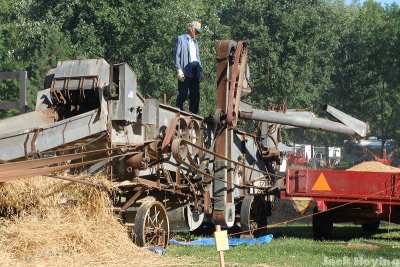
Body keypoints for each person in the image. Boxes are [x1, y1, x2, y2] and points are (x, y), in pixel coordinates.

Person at [174, 21, 203, 114]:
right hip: (185, 70)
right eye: (196, 31)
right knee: (183, 93)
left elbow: (197, 57)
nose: (197, 34)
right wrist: (178, 69)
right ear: (191, 29)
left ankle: (194, 115)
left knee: (195, 95)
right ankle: (179, 113)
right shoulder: (181, 39)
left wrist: (200, 71)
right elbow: (177, 55)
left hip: (195, 71)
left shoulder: (195, 42)